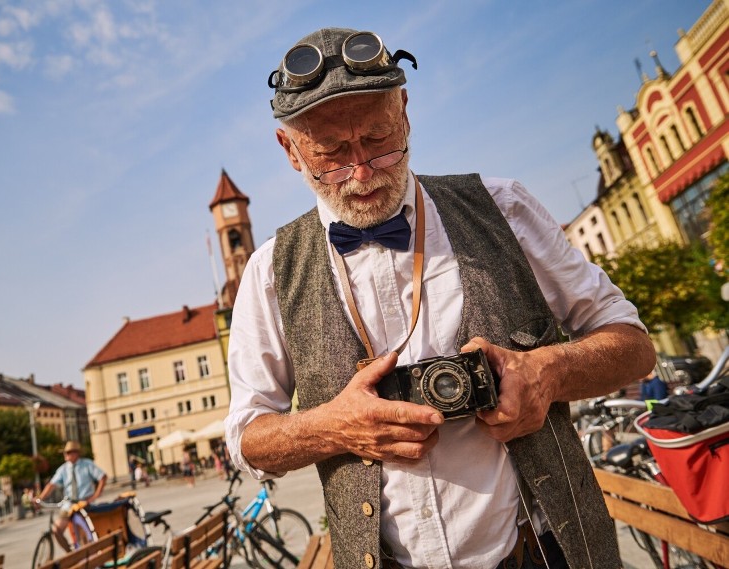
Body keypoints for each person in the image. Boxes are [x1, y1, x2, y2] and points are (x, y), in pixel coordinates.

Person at [224, 27, 656, 569]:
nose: (361, 173)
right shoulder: (268, 272)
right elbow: (246, 439)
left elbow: (635, 346)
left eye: (379, 140)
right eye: (331, 154)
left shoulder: (504, 207)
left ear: (404, 110)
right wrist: (333, 425)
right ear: (290, 150)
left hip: (538, 554)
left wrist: (548, 372)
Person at [35, 441, 107, 552]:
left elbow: (103, 477)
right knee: (56, 529)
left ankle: (88, 553)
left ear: (76, 453)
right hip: (69, 504)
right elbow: (51, 485)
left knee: (85, 534)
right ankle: (70, 553)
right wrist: (40, 498)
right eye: (65, 453)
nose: (66, 455)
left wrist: (95, 496)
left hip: (84, 503)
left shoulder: (87, 464)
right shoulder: (63, 469)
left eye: (68, 452)